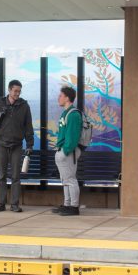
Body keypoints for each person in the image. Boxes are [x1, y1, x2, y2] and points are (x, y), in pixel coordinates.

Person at [0, 79, 35, 213]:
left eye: (19, 91)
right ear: (9, 90)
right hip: (1, 144)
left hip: (17, 145)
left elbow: (28, 126)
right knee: (1, 175)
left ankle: (14, 205)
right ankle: (1, 204)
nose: (17, 94)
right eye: (15, 91)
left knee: (15, 176)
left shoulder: (24, 106)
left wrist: (30, 144)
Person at [52, 85, 83, 216]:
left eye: (61, 96)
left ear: (67, 98)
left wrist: (65, 151)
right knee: (65, 180)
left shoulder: (73, 114)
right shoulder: (66, 113)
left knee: (70, 179)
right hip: (63, 151)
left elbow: (72, 137)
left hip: (68, 152)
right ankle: (67, 204)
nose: (58, 98)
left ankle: (74, 207)